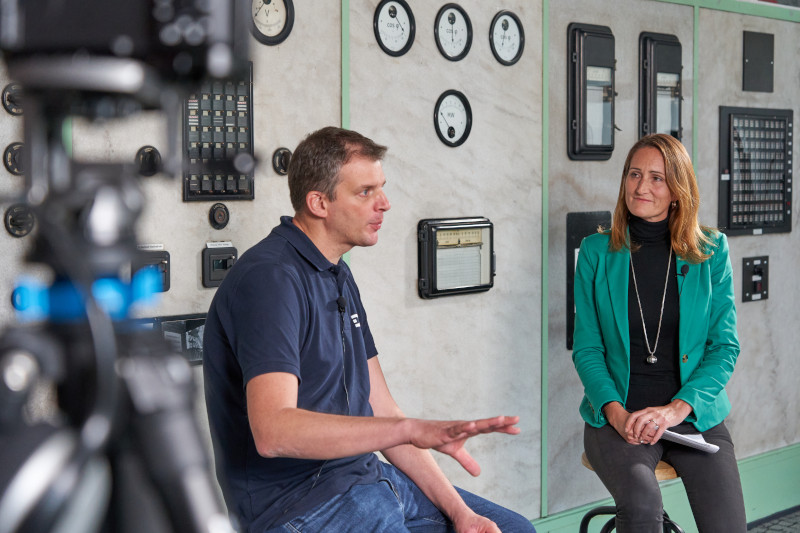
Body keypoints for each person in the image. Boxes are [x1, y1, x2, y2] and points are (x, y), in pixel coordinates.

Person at [203, 126, 535, 533]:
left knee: (513, 529)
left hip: (366, 478)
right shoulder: (270, 279)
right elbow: (273, 432)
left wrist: (460, 512)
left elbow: (384, 410)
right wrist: (409, 429)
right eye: (365, 192)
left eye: (382, 189)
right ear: (319, 203)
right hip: (300, 505)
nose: (384, 204)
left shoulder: (337, 273)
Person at [571, 134, 746, 532]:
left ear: (677, 190)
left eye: (656, 178)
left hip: (690, 415)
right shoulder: (596, 252)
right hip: (619, 416)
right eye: (634, 174)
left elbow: (724, 347)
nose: (641, 187)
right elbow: (587, 348)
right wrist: (615, 413)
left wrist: (674, 410)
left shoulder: (711, 250)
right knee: (641, 507)